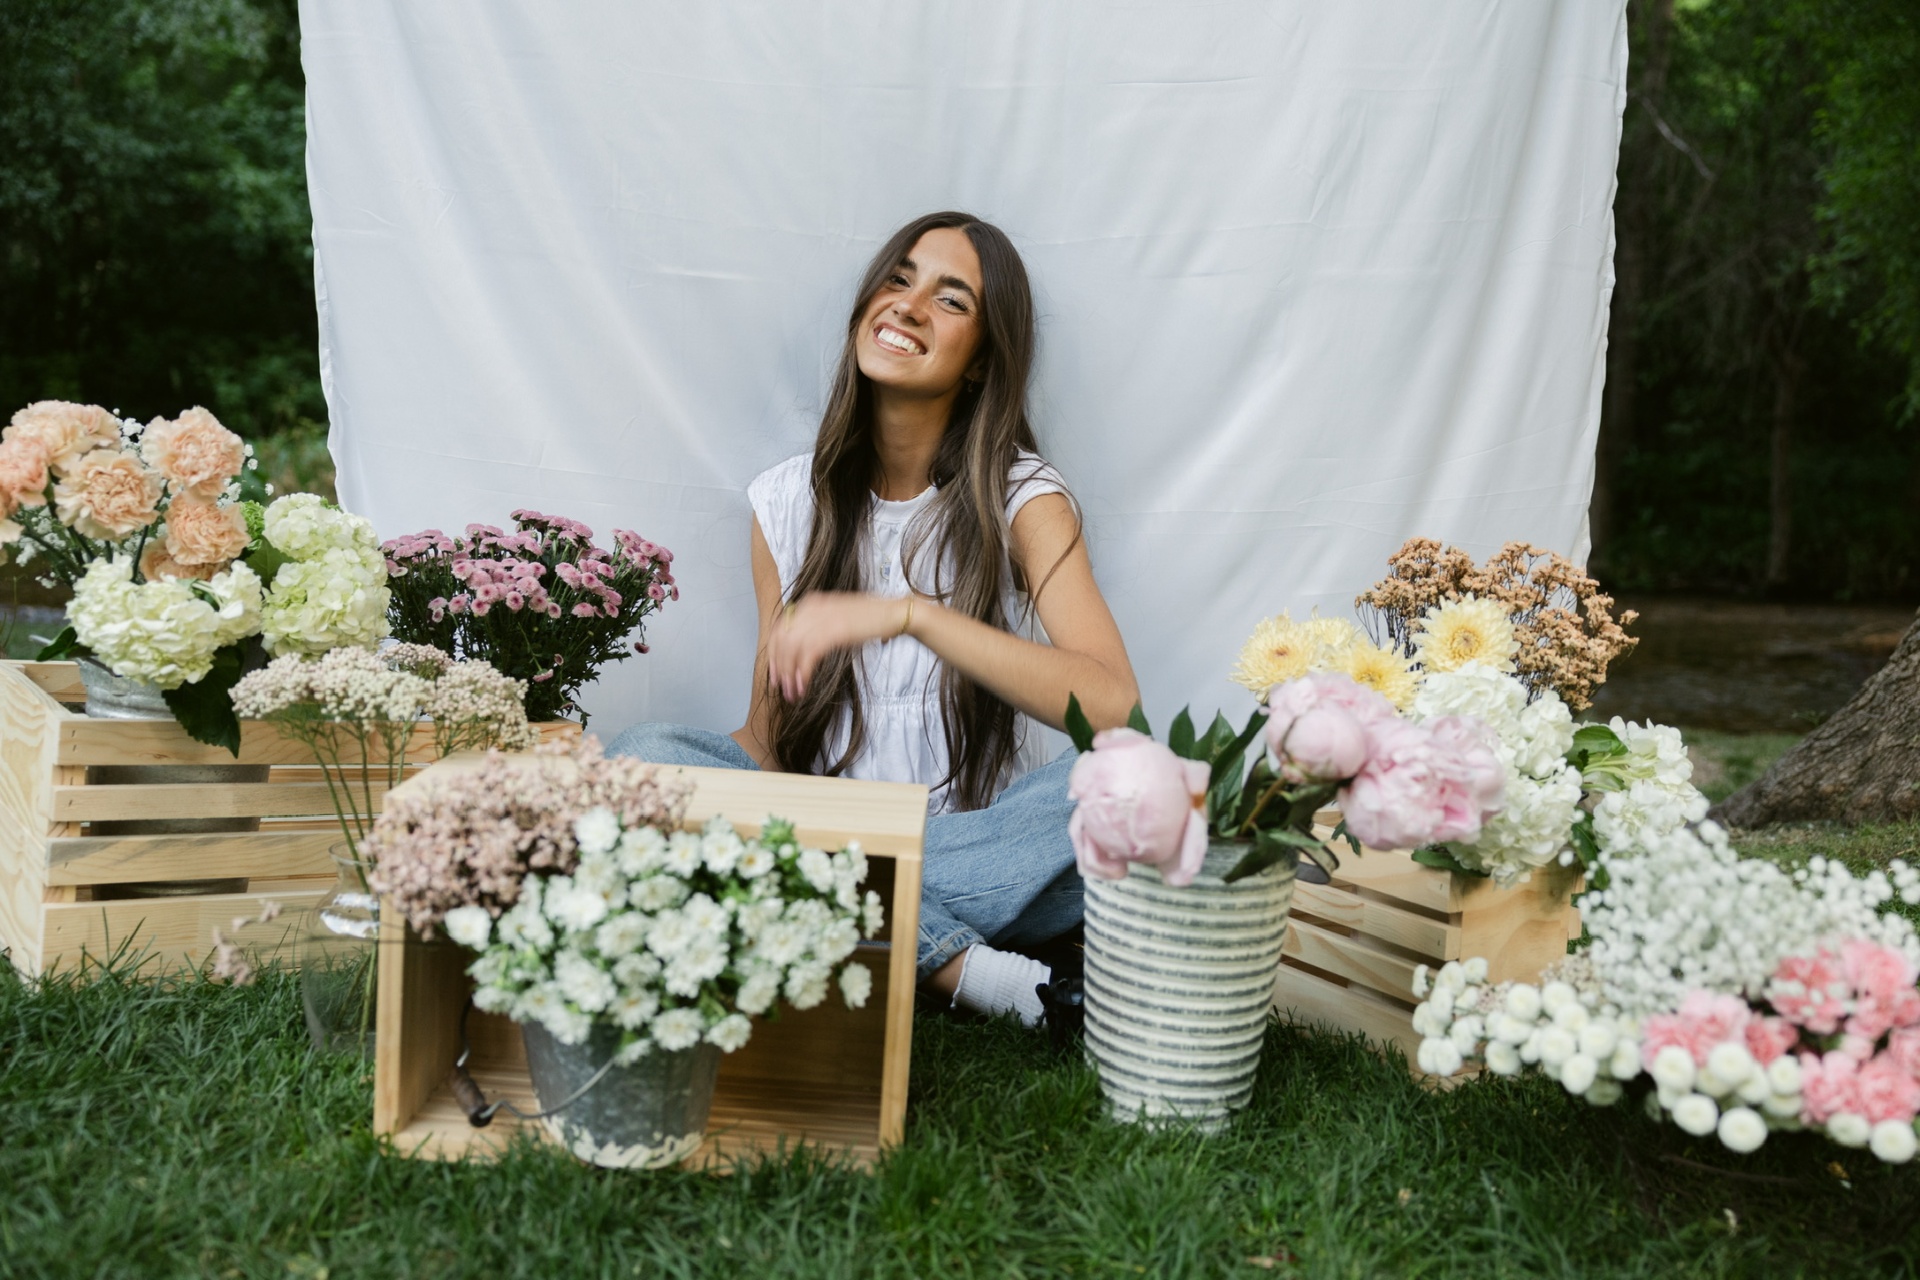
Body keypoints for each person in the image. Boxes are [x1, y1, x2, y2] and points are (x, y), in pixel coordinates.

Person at [610, 211, 1138, 1026]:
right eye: (898, 279)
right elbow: (768, 739)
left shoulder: (1022, 497)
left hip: (973, 846)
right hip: (820, 824)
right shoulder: (786, 504)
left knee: (1130, 785)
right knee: (640, 761)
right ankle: (973, 973)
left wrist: (909, 616)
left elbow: (1115, 710)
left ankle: (813, 900)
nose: (910, 306)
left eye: (951, 300)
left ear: (982, 360)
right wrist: (676, 790)